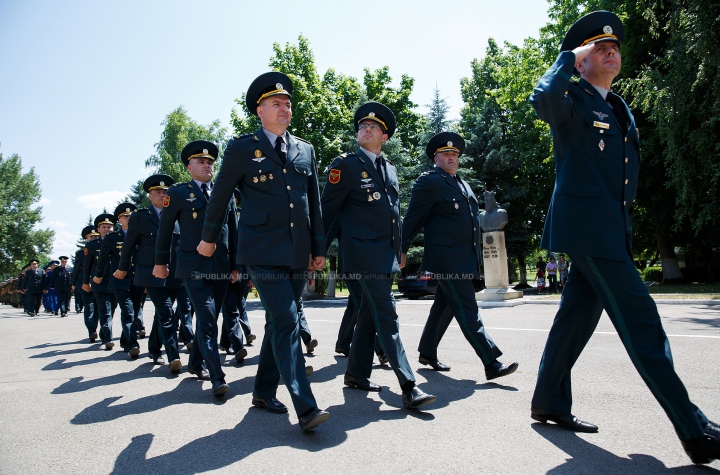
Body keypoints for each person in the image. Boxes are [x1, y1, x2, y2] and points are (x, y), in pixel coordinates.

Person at [528, 10, 719, 465]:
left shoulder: (616, 106)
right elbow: (543, 101)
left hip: (608, 231)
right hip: (590, 232)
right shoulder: (571, 98)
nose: (609, 50)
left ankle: (548, 400)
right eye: (598, 47)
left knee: (574, 320)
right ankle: (693, 429)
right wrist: (565, 58)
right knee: (643, 324)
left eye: (614, 47)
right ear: (581, 60)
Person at [198, 72, 329, 431]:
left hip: (298, 250)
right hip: (261, 249)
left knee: (279, 322)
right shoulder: (242, 148)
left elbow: (313, 204)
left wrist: (319, 247)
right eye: (276, 103)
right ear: (260, 110)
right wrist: (209, 237)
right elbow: (221, 195)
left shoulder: (305, 149)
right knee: (287, 319)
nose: (284, 107)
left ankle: (261, 390)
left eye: (287, 103)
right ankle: (305, 406)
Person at [321, 101, 436, 410]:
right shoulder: (344, 165)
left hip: (385, 255)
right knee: (387, 313)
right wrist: (316, 249)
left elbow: (394, 215)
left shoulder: (390, 169)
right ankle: (409, 385)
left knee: (371, 315)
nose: (366, 129)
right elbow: (327, 212)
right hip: (361, 255)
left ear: (384, 137)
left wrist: (399, 248)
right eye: (362, 126)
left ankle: (357, 374)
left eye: (373, 127)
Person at [401, 131, 518, 381]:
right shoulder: (429, 182)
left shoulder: (462, 184)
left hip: (464, 258)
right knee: (467, 309)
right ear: (436, 158)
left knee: (444, 307)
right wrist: (399, 249)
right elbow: (412, 219)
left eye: (454, 153)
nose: (451, 157)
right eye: (446, 154)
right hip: (447, 259)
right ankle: (491, 362)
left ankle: (427, 352)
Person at [154, 141, 238, 396]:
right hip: (193, 266)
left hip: (221, 266)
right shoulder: (178, 193)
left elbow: (234, 231)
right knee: (207, 317)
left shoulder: (225, 193)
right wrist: (160, 263)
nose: (207, 165)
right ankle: (217, 376)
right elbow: (165, 230)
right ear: (189, 167)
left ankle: (194, 363)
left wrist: (236, 266)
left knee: (210, 319)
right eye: (201, 162)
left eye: (210, 162)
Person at [119, 174, 193, 371]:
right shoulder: (141, 217)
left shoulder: (178, 216)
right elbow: (129, 245)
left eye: (165, 192)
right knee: (167, 313)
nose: (162, 195)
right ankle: (173, 356)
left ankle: (153, 348)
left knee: (161, 315)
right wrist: (122, 268)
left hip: (174, 275)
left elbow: (184, 245)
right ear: (150, 196)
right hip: (150, 274)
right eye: (157, 192)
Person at [95, 203, 141, 359]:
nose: (129, 219)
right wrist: (99, 275)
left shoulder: (141, 234)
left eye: (131, 216)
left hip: (138, 279)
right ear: (119, 220)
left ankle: (125, 340)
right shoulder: (112, 238)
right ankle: (133, 344)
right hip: (120, 280)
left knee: (134, 312)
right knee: (127, 311)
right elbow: (102, 259)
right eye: (126, 217)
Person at [84, 214, 118, 350]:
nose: (107, 229)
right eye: (104, 227)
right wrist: (85, 282)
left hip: (115, 282)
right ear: (98, 229)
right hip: (99, 283)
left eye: (109, 227)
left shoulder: (119, 242)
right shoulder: (92, 245)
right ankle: (107, 339)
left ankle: (105, 334)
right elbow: (87, 265)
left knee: (112, 309)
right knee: (105, 310)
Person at [72, 226, 99, 341]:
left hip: (99, 283)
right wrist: (73, 283)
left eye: (95, 237)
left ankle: (98, 328)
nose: (93, 239)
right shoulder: (81, 253)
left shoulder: (103, 248)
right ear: (86, 238)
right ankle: (91, 330)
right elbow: (77, 269)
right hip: (85, 283)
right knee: (89, 306)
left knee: (98, 307)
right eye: (91, 237)